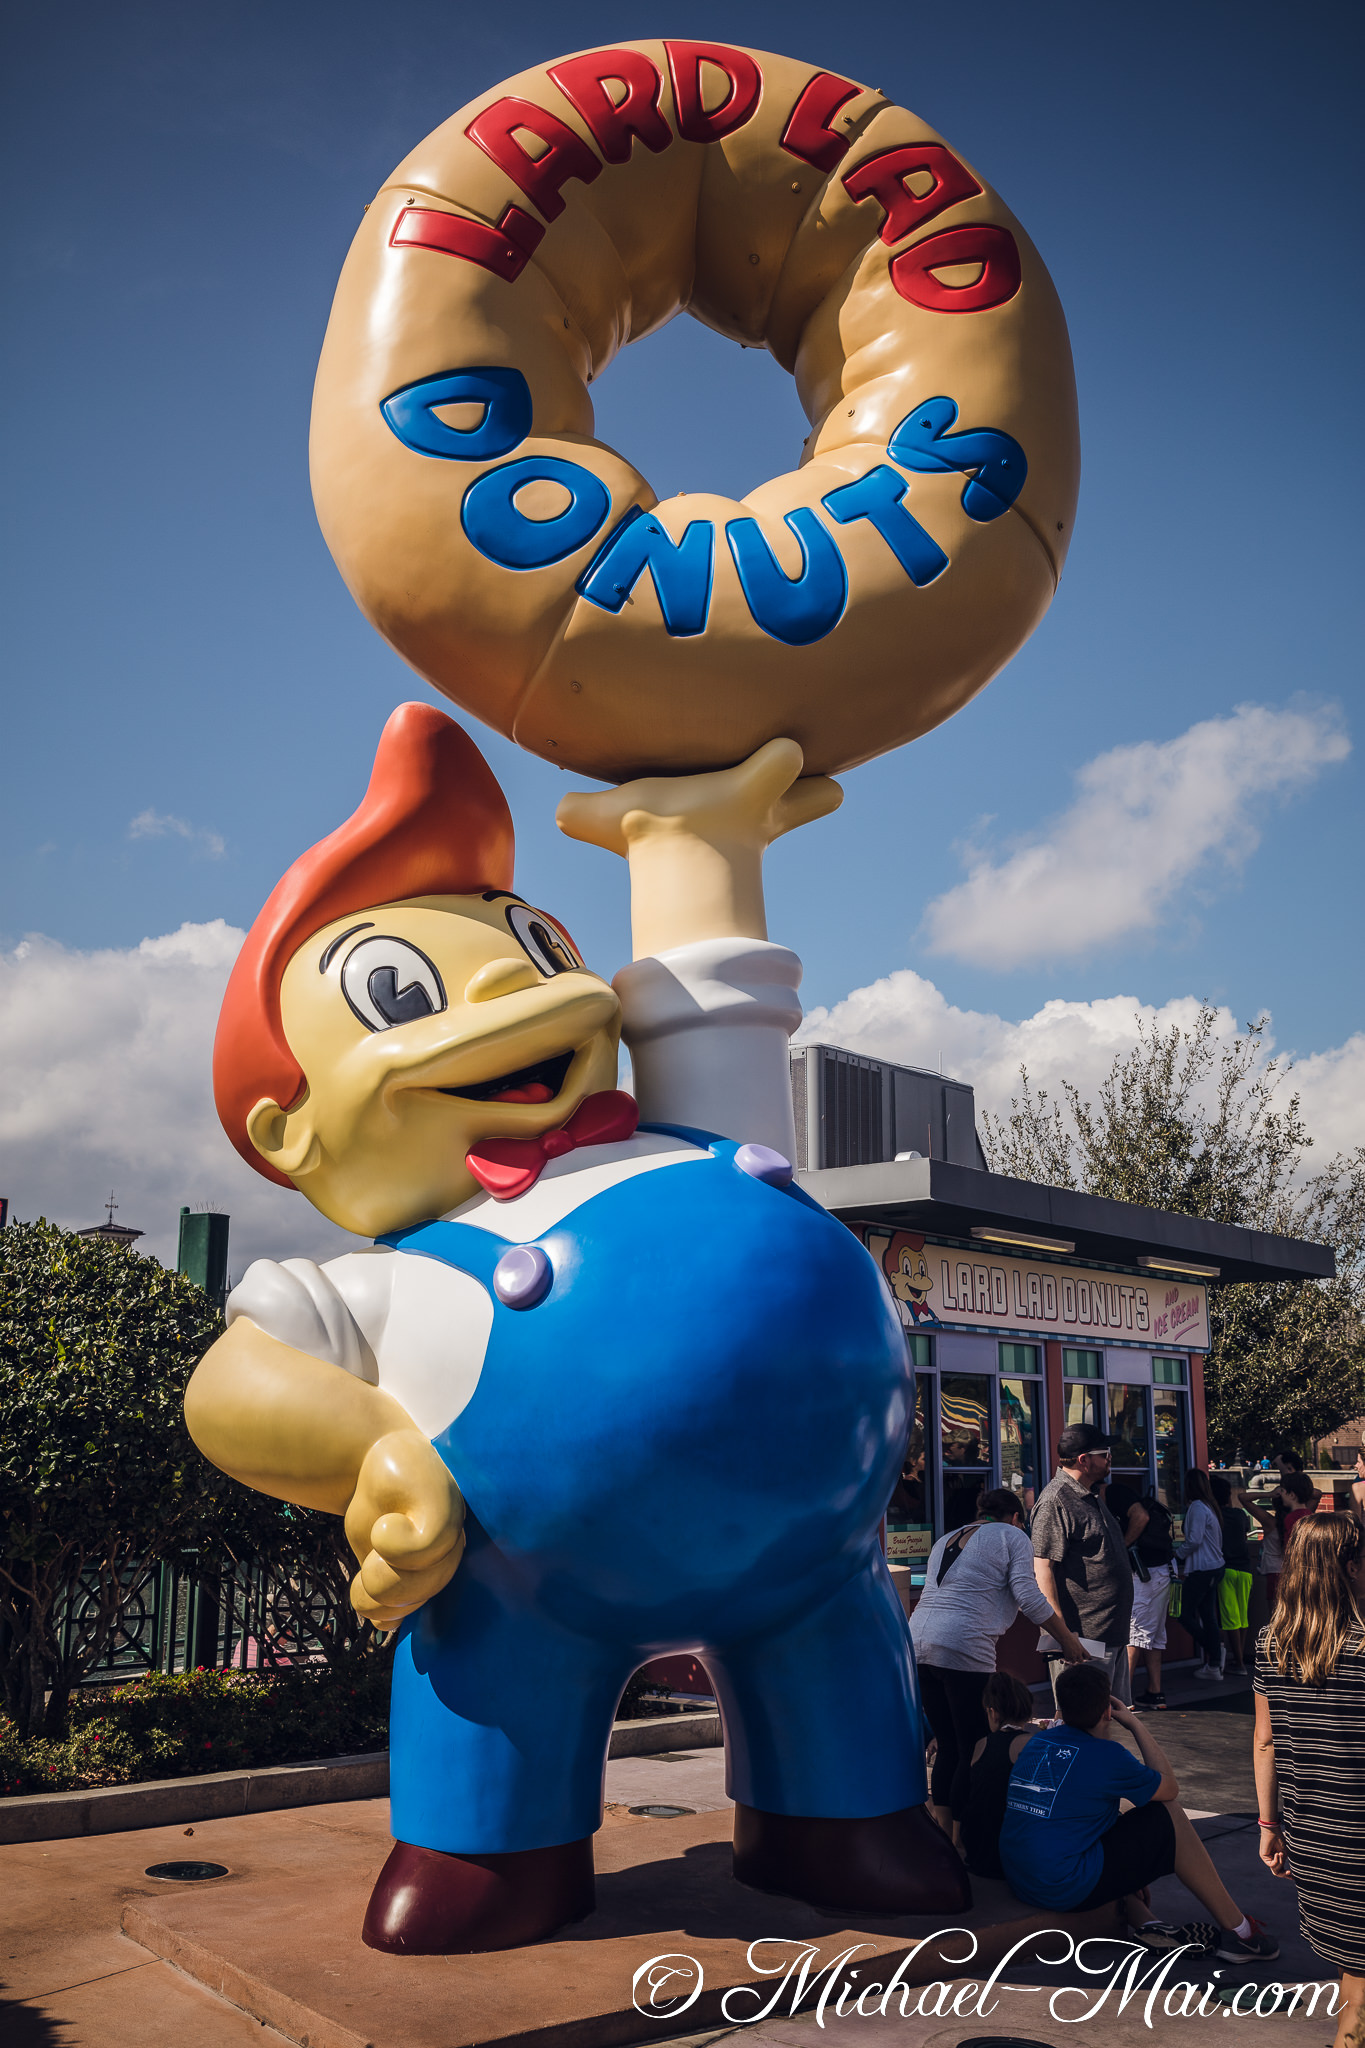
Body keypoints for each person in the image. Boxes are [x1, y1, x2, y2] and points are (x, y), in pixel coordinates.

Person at [1000, 1660, 1279, 1960]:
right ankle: (1240, 1934)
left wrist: (1132, 1876)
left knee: (1093, 1824)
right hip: (1063, 1886)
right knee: (1167, 1814)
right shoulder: (1107, 1755)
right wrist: (1135, 1724)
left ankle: (1149, 1923)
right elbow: (1170, 1788)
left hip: (1021, 1876)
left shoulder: (1037, 1741)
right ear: (1108, 1710)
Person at [911, 1488, 1086, 1839]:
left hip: (916, 1642)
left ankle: (942, 1834)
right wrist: (1068, 1639)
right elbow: (1028, 1595)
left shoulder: (946, 1537)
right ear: (1016, 1517)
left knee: (946, 1744)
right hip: (963, 1645)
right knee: (972, 1746)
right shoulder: (1012, 1535)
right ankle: (963, 1836)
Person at [1253, 1512, 1365, 2048]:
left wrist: (1268, 1825)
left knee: (1355, 1964)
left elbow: (1266, 1742)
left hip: (1315, 1835)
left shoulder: (1271, 1646)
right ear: (1350, 1567)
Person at [1031, 1424, 1135, 1707]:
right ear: (1083, 1460)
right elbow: (1043, 1569)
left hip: (1110, 1634)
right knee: (1082, 1723)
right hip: (1083, 1642)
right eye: (1105, 1453)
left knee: (1107, 1717)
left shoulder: (1090, 1495)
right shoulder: (1056, 1499)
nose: (1110, 1459)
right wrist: (1064, 1636)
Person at [961, 1671, 1048, 1878]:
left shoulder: (981, 1745)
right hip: (1008, 1856)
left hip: (977, 1852)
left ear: (992, 1713)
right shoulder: (1031, 1745)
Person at [1107, 1481, 1177, 1710]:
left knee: (1134, 1634)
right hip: (1163, 1570)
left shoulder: (1114, 1493)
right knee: (1154, 1635)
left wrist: (1123, 1546)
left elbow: (1141, 1517)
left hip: (1145, 1573)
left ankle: (1121, 1699)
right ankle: (1155, 1693)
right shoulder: (1126, 1495)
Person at [1174, 1469, 1225, 1680]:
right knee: (1207, 1615)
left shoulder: (1196, 1507)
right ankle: (1214, 1662)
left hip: (1203, 1569)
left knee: (1183, 1613)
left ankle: (1215, 1651)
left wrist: (1176, 1554)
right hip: (1214, 1567)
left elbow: (1194, 1540)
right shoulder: (1209, 1507)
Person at [1241, 1471, 1315, 1612]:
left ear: (1291, 1495)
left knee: (1276, 1618)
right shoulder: (1309, 1516)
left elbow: (1243, 1498)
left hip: (1280, 1573)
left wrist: (1269, 1494)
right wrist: (1302, 1491)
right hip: (1304, 1574)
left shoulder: (1275, 1521)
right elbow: (1317, 1494)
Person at [1210, 1474, 1254, 1674]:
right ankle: (1240, 1658)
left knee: (1229, 1619)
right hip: (1245, 1569)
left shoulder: (1213, 1516)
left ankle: (1238, 1662)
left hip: (1225, 1568)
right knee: (1243, 1618)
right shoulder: (1239, 1515)